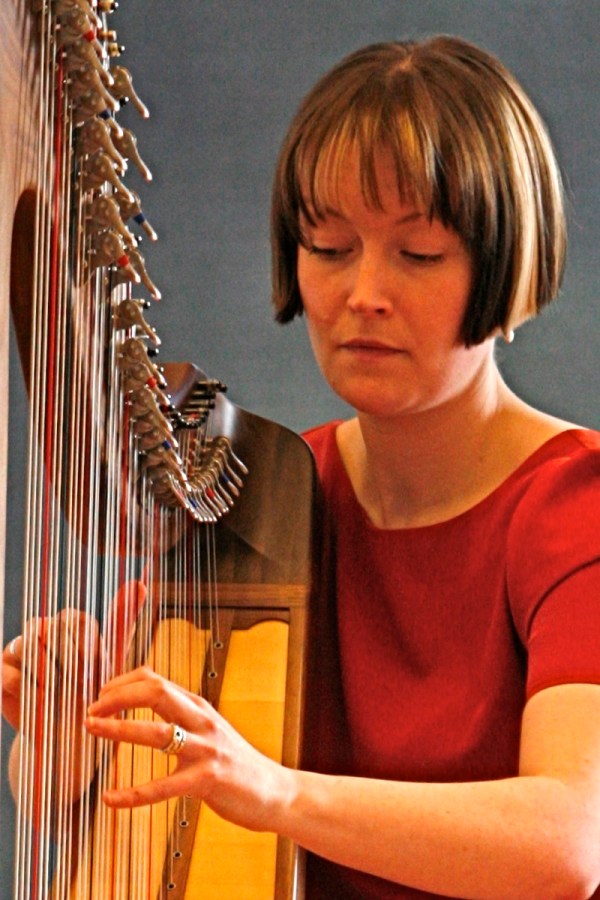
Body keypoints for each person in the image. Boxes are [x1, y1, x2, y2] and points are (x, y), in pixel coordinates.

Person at [5, 35, 600, 899]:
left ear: (506, 267)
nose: (364, 294)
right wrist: (62, 737)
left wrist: (277, 793)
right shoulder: (265, 492)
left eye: (418, 254)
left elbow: (568, 844)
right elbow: (98, 791)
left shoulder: (573, 503)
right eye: (328, 247)